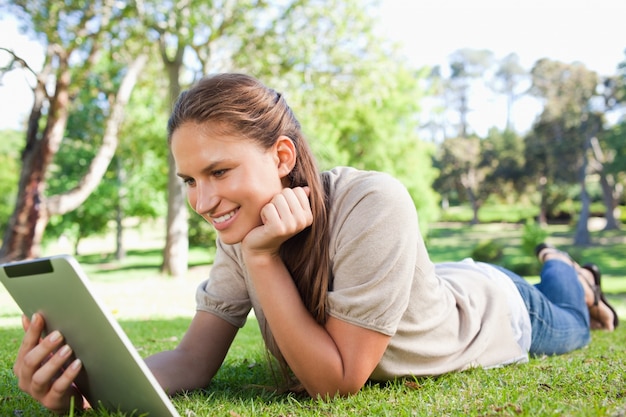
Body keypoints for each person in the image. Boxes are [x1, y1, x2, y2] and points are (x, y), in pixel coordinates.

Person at [12, 73, 619, 414]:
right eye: (190, 181)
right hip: (434, 281)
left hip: (500, 311)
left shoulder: (373, 201)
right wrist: (84, 380)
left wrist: (261, 258)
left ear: (281, 157)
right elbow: (194, 361)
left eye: (219, 173)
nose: (202, 202)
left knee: (572, 317)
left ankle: (568, 268)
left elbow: (337, 381)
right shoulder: (242, 226)